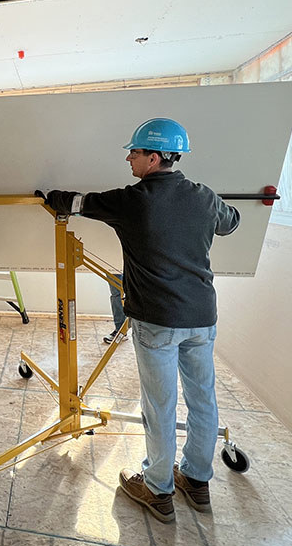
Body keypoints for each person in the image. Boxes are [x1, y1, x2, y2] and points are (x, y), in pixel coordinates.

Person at [40, 117, 240, 523]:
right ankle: (197, 482)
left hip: (157, 321)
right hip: (202, 318)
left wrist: (51, 196)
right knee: (203, 400)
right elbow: (231, 222)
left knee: (160, 405)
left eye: (134, 152)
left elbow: (78, 202)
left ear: (154, 157)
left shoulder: (134, 200)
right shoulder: (203, 196)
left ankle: (157, 489)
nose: (128, 157)